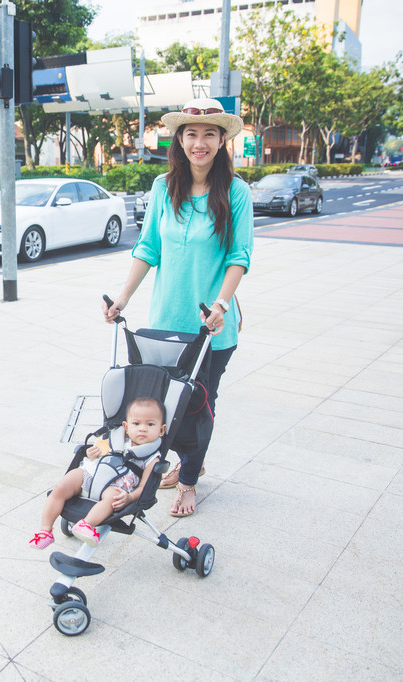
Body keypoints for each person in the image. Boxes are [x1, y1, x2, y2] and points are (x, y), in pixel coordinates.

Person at [102, 97, 253, 519]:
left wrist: (222, 304)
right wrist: (123, 297)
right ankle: (192, 458)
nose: (199, 142)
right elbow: (148, 247)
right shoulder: (161, 187)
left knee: (199, 405)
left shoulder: (235, 192)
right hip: (167, 324)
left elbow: (238, 255)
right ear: (179, 139)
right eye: (191, 133)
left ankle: (188, 480)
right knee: (168, 405)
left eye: (209, 134)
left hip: (211, 326)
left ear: (222, 140)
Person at [29, 397, 167, 549]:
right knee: (61, 486)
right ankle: (45, 531)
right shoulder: (116, 439)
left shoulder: (152, 458)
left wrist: (129, 498)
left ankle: (86, 524)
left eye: (150, 424)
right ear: (126, 427)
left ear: (161, 430)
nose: (142, 428)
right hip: (90, 474)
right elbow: (97, 451)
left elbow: (143, 487)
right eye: (136, 423)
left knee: (113, 499)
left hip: (114, 487)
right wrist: (91, 453)